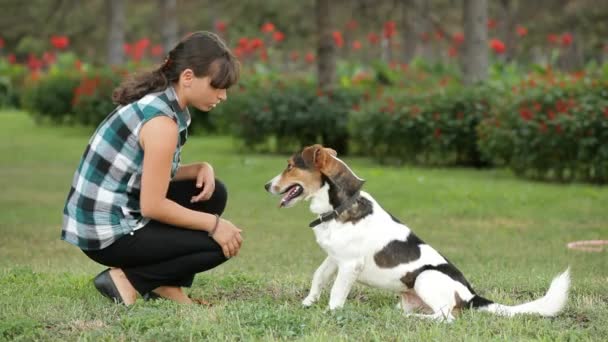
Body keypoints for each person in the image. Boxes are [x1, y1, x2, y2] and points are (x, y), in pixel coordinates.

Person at [61, 31, 243, 305]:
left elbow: (140, 173)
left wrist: (198, 168)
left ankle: (166, 286)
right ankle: (130, 281)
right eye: (217, 85)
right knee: (218, 243)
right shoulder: (161, 122)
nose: (223, 95)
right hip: (107, 233)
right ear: (189, 77)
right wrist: (215, 224)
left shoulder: (166, 103)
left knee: (214, 192)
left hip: (116, 212)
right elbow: (152, 206)